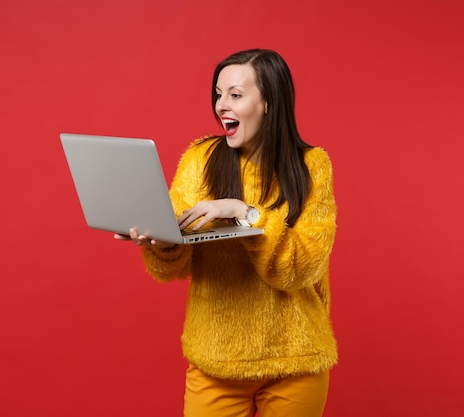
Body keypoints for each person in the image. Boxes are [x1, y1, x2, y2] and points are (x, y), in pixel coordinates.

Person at [115, 49, 337, 417]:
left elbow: (303, 268)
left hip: (296, 361)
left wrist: (243, 214)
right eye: (218, 94)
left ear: (268, 102)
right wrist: (160, 241)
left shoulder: (312, 166)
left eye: (235, 94)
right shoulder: (200, 159)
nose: (221, 105)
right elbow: (173, 267)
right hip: (215, 359)